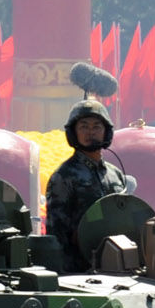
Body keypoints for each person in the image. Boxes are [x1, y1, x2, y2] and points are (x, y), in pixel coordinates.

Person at [46, 98, 128, 265]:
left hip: (117, 265)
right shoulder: (64, 176)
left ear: (106, 131)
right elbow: (56, 231)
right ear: (73, 133)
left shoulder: (115, 174)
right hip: (78, 268)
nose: (91, 132)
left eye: (97, 126)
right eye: (84, 126)